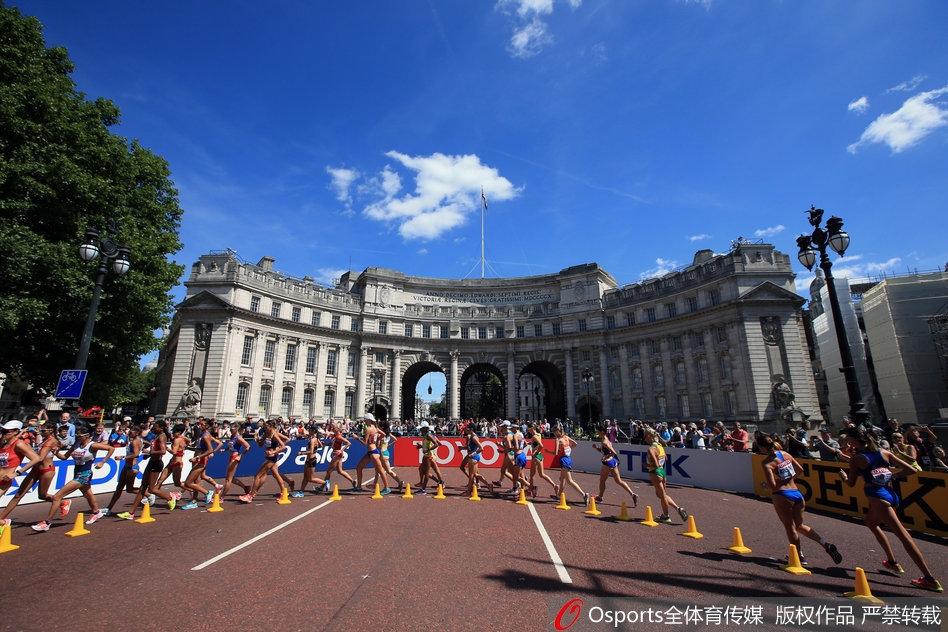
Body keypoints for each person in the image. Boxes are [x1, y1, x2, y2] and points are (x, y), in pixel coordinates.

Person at [840, 426, 942, 592]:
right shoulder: (883, 452)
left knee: (903, 536)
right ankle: (892, 561)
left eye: (848, 440)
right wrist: (893, 476)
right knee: (871, 523)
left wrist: (844, 477)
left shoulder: (857, 458)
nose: (847, 443)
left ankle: (929, 578)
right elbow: (911, 470)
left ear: (853, 441)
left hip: (877, 497)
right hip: (890, 494)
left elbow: (851, 483)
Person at [756, 433, 841, 565]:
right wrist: (789, 479)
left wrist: (767, 484)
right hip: (796, 493)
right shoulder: (785, 454)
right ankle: (825, 544)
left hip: (783, 495)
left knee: (790, 527)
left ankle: (799, 556)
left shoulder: (767, 463)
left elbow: (773, 486)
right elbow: (800, 470)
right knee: (799, 526)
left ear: (762, 447)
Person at [32, 425, 115, 531]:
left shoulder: (92, 445)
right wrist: (56, 452)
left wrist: (102, 462)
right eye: (76, 435)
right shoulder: (76, 444)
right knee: (88, 493)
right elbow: (64, 457)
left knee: (57, 496)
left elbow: (111, 448)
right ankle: (96, 512)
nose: (77, 437)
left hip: (85, 474)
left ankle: (46, 523)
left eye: (80, 435)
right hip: (77, 472)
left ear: (87, 436)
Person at [0, 421, 62, 530]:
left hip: (6, 480)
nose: (3, 433)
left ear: (15, 432)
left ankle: (2, 522)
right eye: (2, 430)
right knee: (22, 496)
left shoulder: (19, 444)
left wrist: (17, 473)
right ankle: (3, 521)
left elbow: (37, 458)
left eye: (6, 431)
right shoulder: (4, 443)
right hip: (31, 470)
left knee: (41, 495)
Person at [643, 428, 687, 524]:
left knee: (662, 496)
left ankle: (666, 516)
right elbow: (665, 458)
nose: (644, 438)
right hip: (662, 471)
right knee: (661, 494)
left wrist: (646, 465)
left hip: (655, 472)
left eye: (645, 436)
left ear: (650, 436)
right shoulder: (659, 446)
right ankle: (678, 508)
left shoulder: (651, 449)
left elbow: (655, 464)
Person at [239, 421, 290, 503]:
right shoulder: (266, 433)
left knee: (257, 476)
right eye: (264, 427)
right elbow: (260, 445)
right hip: (267, 456)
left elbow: (283, 446)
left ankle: (250, 496)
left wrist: (274, 451)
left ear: (271, 426)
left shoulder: (274, 434)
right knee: (272, 475)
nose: (264, 428)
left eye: (266, 427)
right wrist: (257, 440)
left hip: (272, 458)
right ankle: (283, 492)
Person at [592, 424, 638, 506]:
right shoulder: (606, 439)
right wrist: (596, 448)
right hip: (613, 462)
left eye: (598, 431)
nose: (597, 433)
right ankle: (632, 494)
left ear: (602, 432)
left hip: (608, 463)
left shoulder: (604, 441)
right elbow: (606, 451)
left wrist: (606, 457)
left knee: (602, 481)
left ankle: (600, 497)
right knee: (618, 481)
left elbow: (613, 452)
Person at [181, 419, 222, 509]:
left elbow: (210, 450)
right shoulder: (202, 434)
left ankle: (207, 492)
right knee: (196, 481)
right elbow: (199, 448)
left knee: (188, 483)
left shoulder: (206, 436)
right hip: (198, 459)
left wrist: (198, 457)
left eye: (202, 424)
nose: (200, 425)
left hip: (200, 461)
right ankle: (194, 501)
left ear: (207, 426)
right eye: (200, 424)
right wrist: (189, 448)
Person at [105, 423, 143, 515]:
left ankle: (149, 495)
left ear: (137, 432)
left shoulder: (135, 441)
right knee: (125, 489)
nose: (130, 431)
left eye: (133, 430)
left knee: (124, 488)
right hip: (127, 466)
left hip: (132, 467)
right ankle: (108, 508)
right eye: (130, 430)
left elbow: (136, 454)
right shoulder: (133, 440)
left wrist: (122, 457)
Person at [354, 414, 390, 495]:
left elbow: (364, 443)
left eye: (365, 419)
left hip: (373, 453)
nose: (364, 421)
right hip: (372, 452)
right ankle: (359, 487)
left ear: (369, 420)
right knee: (359, 467)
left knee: (380, 470)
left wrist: (357, 438)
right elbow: (383, 434)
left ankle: (387, 488)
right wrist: (377, 441)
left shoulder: (369, 429)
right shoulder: (375, 428)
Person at [221, 422, 253, 498]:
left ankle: (221, 497)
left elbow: (248, 446)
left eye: (232, 429)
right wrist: (225, 449)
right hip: (231, 456)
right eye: (230, 429)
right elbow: (231, 446)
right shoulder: (232, 436)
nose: (230, 430)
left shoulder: (239, 438)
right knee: (230, 478)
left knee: (228, 479)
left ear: (236, 429)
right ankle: (245, 487)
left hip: (235, 457)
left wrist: (240, 455)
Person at [323, 420, 357, 491]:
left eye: (334, 428)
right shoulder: (335, 436)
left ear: (337, 429)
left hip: (337, 455)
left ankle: (323, 486)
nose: (332, 429)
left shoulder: (339, 437)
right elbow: (331, 444)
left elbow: (348, 443)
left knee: (329, 471)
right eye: (332, 428)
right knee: (340, 471)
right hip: (338, 454)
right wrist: (325, 444)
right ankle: (353, 481)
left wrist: (341, 450)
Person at [526, 423, 557, 498]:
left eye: (528, 429)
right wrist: (529, 443)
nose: (528, 430)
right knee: (542, 474)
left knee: (531, 475)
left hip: (536, 456)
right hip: (540, 456)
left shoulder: (534, 436)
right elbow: (536, 443)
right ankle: (554, 485)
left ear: (532, 428)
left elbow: (541, 445)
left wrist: (535, 453)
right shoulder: (538, 435)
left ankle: (531, 489)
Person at [461, 424, 491, 495]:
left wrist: (473, 454)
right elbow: (471, 447)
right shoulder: (472, 436)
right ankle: (488, 485)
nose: (466, 430)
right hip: (474, 456)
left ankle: (468, 491)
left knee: (472, 475)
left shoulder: (474, 437)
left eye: (468, 429)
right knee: (475, 474)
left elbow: (481, 448)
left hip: (473, 457)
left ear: (471, 429)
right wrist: (462, 448)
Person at [377, 420, 404, 492]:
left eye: (379, 426)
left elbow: (378, 445)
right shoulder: (388, 434)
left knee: (387, 471)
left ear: (382, 427)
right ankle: (375, 484)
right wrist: (389, 445)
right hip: (386, 452)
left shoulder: (380, 435)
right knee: (379, 470)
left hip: (382, 453)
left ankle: (399, 482)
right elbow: (395, 439)